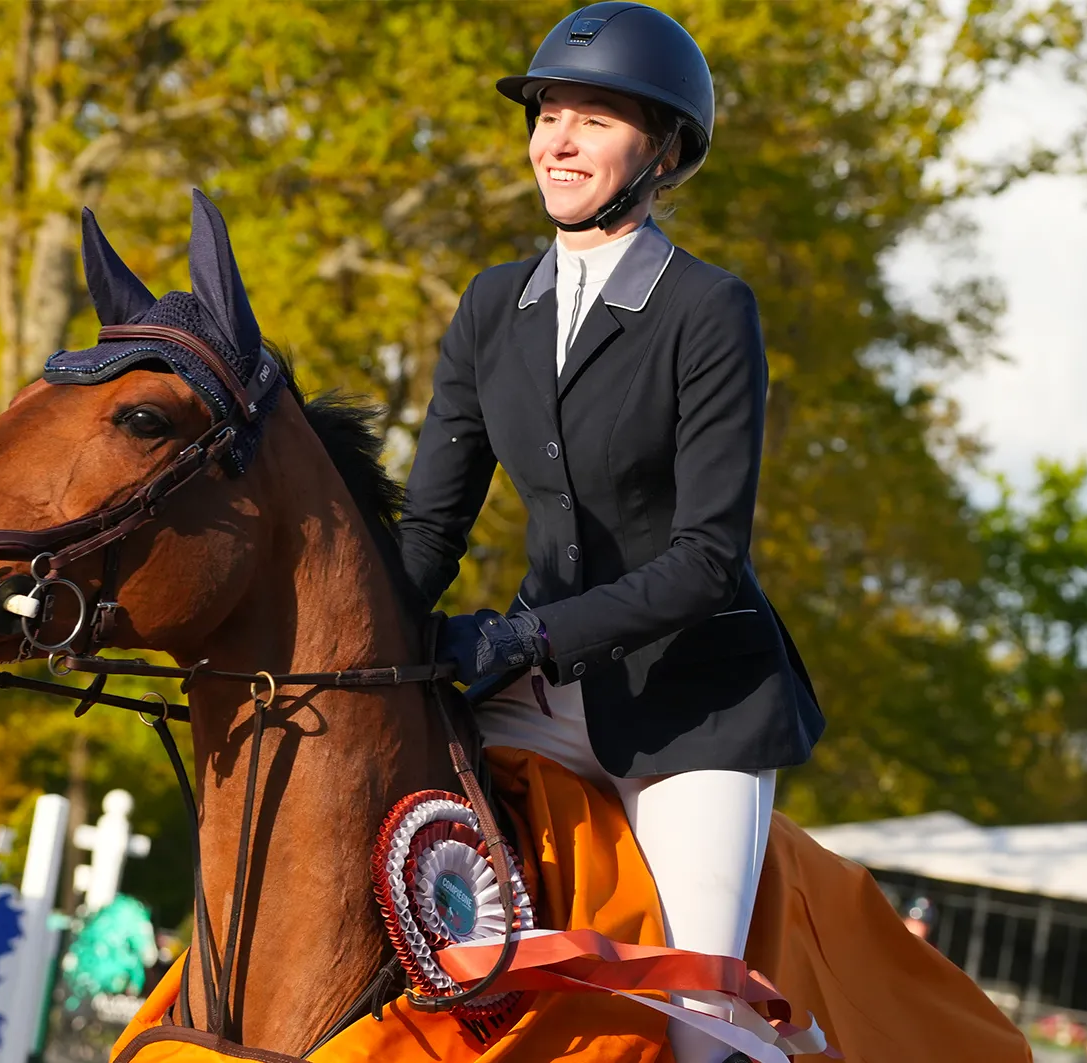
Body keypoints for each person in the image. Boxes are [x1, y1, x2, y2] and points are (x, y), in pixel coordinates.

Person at [396, 5, 826, 1061]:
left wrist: (524, 640)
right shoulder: (494, 306)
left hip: (693, 710)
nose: (559, 139)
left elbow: (704, 559)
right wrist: (370, 642)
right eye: (549, 113)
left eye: (594, 118)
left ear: (665, 152)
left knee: (692, 1027)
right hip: (541, 695)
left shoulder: (708, 311)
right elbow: (432, 525)